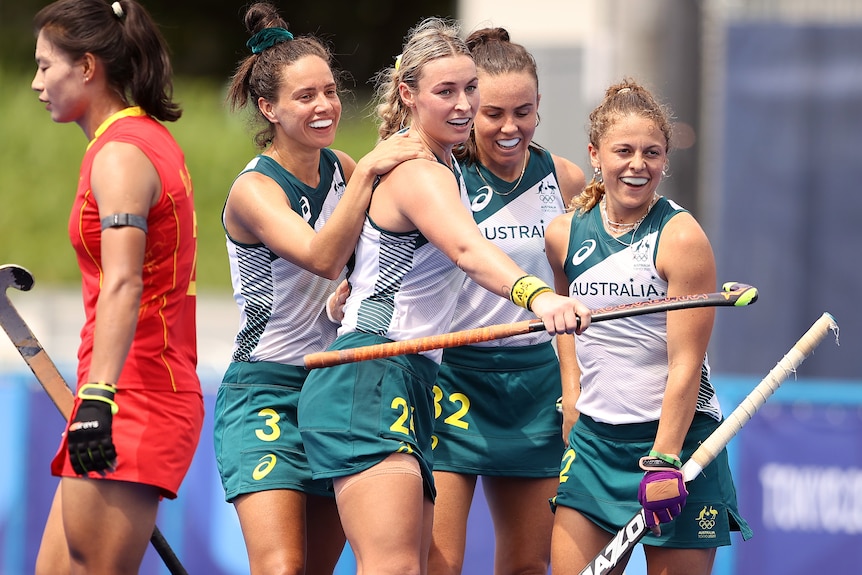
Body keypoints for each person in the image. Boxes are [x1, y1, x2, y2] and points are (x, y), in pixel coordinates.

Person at [297, 17, 591, 575]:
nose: (464, 105)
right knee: (398, 568)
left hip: (408, 376)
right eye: (446, 92)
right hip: (371, 371)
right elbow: (467, 250)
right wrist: (540, 298)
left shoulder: (443, 163)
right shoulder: (422, 171)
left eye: (469, 89)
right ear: (408, 94)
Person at [212, 3, 430, 575]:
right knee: (281, 566)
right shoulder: (255, 191)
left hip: (333, 384)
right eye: (305, 96)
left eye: (330, 91)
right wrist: (368, 174)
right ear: (270, 108)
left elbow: (361, 265)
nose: (325, 106)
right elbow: (322, 255)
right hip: (264, 387)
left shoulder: (341, 167)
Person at [545, 78, 752, 575]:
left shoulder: (681, 238)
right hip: (596, 446)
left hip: (678, 444)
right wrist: (571, 394)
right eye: (624, 151)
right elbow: (564, 322)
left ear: (664, 159)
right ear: (595, 154)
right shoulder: (562, 235)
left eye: (652, 153)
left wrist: (664, 459)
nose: (638, 165)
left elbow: (686, 362)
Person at [30, 1, 202, 574]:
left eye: (44, 67)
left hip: (133, 395)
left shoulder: (122, 155)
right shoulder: (132, 141)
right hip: (118, 389)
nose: (36, 84)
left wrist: (99, 397)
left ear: (86, 67)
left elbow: (125, 281)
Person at [427, 27, 585, 575]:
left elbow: (571, 292)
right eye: (493, 112)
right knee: (437, 565)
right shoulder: (441, 174)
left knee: (526, 565)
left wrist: (572, 388)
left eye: (525, 111)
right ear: (469, 105)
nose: (509, 127)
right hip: (452, 377)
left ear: (540, 107)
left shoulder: (564, 178)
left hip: (536, 387)